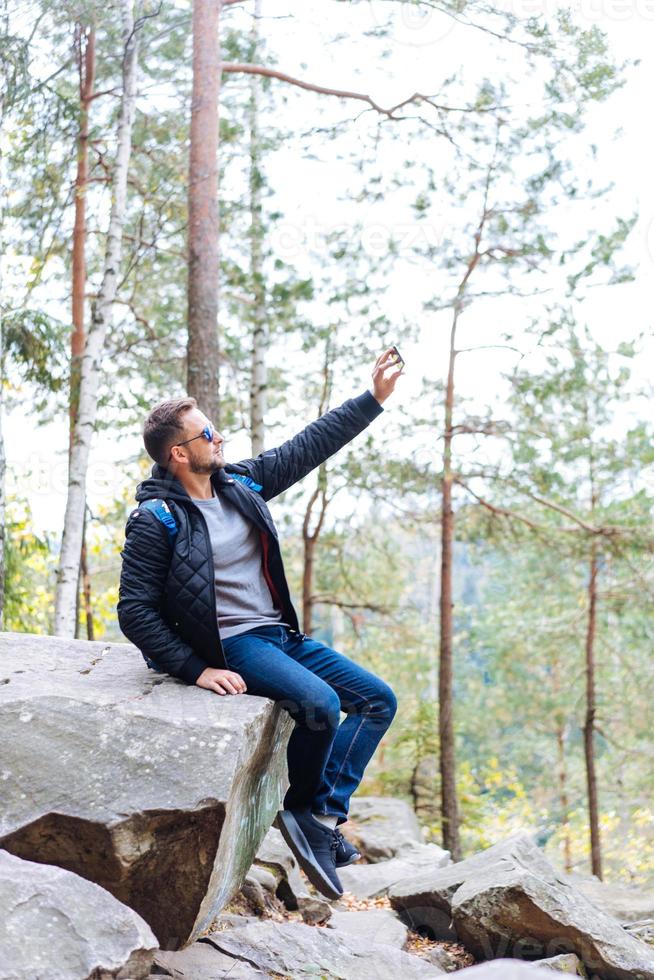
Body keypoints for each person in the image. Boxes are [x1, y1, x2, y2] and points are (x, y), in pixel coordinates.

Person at [117, 347, 403, 900]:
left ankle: (320, 819)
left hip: (279, 635)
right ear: (178, 452)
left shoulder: (240, 485)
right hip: (233, 644)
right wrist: (196, 669)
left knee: (377, 700)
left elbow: (306, 447)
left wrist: (372, 400)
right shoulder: (157, 519)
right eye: (207, 436)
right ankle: (299, 811)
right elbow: (135, 610)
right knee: (319, 704)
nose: (219, 440)